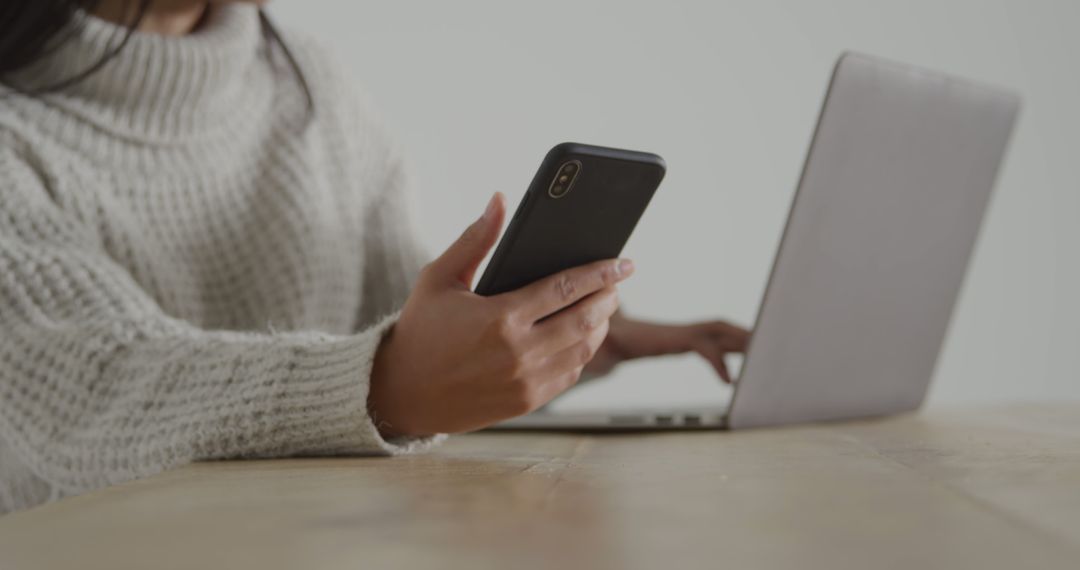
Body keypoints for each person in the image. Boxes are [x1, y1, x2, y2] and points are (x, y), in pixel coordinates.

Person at [0, 0, 749, 514]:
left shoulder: (309, 85)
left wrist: (573, 336)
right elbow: (93, 389)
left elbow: (405, 323)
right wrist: (382, 383)